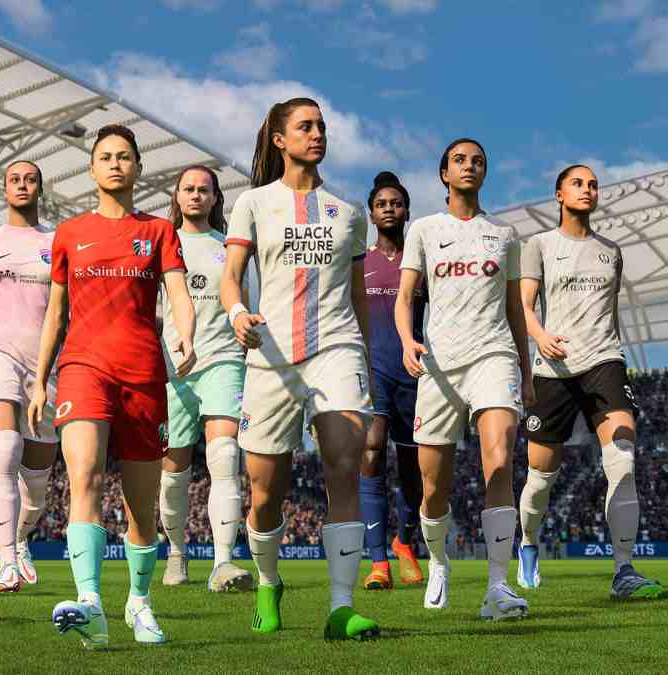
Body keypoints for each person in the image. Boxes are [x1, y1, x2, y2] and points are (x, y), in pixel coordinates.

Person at [221, 97, 379, 641]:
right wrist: (239, 312)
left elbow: (357, 296)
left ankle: (341, 606)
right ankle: (269, 582)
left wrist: (366, 361)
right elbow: (231, 278)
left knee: (343, 465)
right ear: (280, 140)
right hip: (270, 356)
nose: (317, 134)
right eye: (305, 127)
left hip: (337, 349)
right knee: (264, 494)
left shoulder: (348, 212)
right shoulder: (254, 204)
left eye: (321, 126)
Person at [32, 124, 195, 649]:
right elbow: (55, 313)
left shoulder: (160, 233)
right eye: (105, 157)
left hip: (144, 374)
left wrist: (185, 336)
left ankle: (139, 602)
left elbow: (178, 292)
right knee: (86, 477)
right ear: (91, 169)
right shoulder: (69, 234)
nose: (116, 164)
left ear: (138, 168)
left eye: (125, 157)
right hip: (83, 367)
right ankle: (91, 604)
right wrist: (39, 379)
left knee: (140, 507)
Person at [395, 138, 533, 621]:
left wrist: (526, 368)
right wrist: (408, 340)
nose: (469, 166)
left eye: (477, 161)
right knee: (435, 489)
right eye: (460, 160)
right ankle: (437, 563)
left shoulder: (505, 233)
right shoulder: (425, 230)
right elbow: (406, 295)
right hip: (438, 364)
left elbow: (515, 308)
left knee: (500, 458)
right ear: (443, 174)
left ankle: (498, 586)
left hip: (492, 356)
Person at [516, 164, 664, 599]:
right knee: (540, 477)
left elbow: (610, 314)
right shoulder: (539, 245)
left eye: (593, 184)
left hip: (604, 361)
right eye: (578, 183)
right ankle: (527, 545)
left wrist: (615, 352)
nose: (588, 189)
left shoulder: (611, 251)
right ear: (559, 194)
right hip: (553, 369)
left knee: (622, 457)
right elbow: (524, 306)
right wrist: (541, 337)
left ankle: (624, 569)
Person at [156, 164, 252, 593]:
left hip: (223, 360)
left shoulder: (230, 249)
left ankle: (223, 563)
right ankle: (176, 553)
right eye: (188, 189)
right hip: (171, 368)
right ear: (177, 197)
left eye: (204, 190)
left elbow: (242, 302)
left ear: (216, 199)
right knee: (173, 471)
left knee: (224, 456)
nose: (196, 195)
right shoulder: (162, 242)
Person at [0, 160, 58, 593]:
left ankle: (22, 538)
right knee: (4, 446)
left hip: (47, 367)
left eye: (30, 180)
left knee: (38, 484)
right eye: (14, 179)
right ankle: (6, 562)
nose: (22, 185)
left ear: (40, 189)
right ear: (4, 187)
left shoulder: (56, 240)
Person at [358, 171, 425, 591]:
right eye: (381, 203)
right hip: (373, 369)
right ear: (371, 212)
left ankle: (405, 542)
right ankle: (378, 559)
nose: (388, 209)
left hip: (416, 371)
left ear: (406, 210)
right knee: (371, 450)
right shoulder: (359, 262)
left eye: (395, 203)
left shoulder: (420, 262)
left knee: (417, 467)